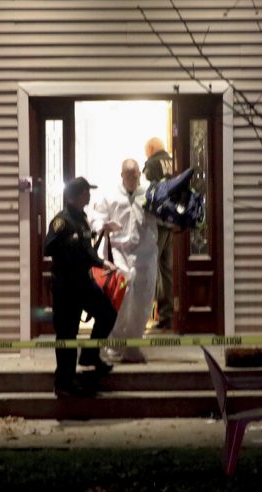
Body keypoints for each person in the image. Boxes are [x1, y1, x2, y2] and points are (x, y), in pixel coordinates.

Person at [44, 177, 117, 398]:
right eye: (85, 192)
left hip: (84, 282)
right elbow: (48, 247)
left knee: (107, 313)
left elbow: (88, 249)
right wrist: (70, 243)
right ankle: (63, 382)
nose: (89, 195)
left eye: (89, 191)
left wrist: (102, 263)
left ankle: (90, 355)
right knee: (67, 334)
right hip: (66, 286)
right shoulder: (61, 221)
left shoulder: (84, 220)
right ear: (74, 197)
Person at [91, 159, 158, 363]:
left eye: (136, 175)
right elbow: (96, 217)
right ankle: (116, 344)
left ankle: (133, 345)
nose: (134, 179)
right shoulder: (110, 196)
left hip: (145, 257)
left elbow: (165, 217)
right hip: (118, 255)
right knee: (120, 299)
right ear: (122, 175)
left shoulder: (149, 195)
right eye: (129, 175)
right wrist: (103, 225)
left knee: (143, 301)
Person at [143, 137, 175, 331]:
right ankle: (168, 316)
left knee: (150, 268)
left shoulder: (152, 163)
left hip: (158, 223)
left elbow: (145, 187)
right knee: (167, 271)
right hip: (172, 222)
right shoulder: (173, 161)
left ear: (152, 149)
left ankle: (147, 314)